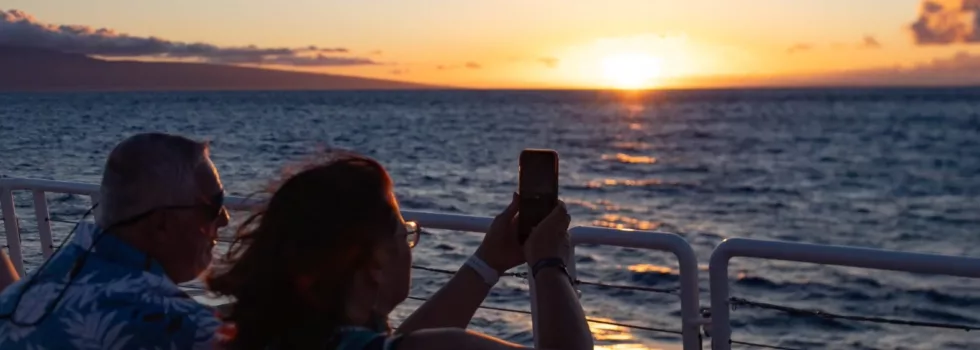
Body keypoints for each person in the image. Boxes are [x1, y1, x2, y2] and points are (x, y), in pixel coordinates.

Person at [207, 153, 594, 350]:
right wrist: (549, 262)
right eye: (402, 232)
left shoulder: (229, 333)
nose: (409, 244)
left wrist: (488, 261)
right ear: (374, 261)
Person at [0, 132, 229, 349]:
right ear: (162, 224)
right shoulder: (183, 328)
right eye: (214, 206)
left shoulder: (15, 301)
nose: (225, 219)